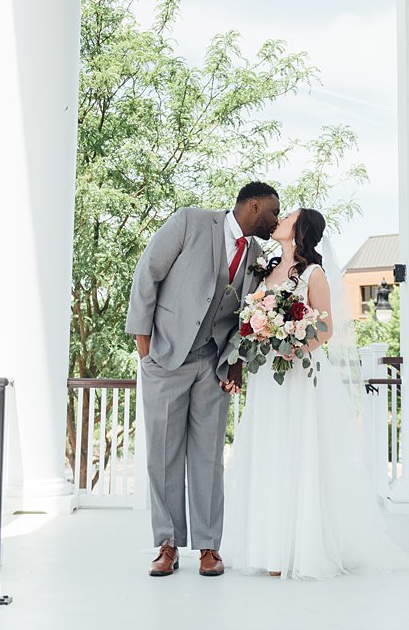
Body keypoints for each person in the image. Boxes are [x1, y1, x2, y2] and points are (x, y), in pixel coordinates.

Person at [221, 207, 402, 579]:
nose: (280, 218)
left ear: (299, 229)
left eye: (287, 216)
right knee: (269, 451)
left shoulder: (312, 274)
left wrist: (294, 344)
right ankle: (269, 548)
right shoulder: (265, 268)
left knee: (297, 451)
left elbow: (326, 329)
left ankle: (300, 548)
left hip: (299, 375)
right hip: (269, 375)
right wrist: (261, 333)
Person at [126, 181, 281, 577]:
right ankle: (167, 544)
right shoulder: (190, 222)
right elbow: (147, 274)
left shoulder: (259, 254)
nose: (275, 220)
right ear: (253, 205)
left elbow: (248, 314)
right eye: (272, 212)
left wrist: (235, 362)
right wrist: (145, 348)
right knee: (163, 455)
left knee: (210, 458)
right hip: (166, 358)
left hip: (213, 365)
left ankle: (209, 547)